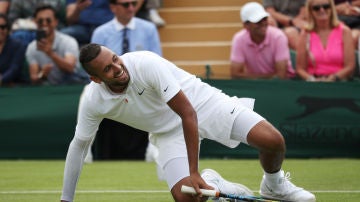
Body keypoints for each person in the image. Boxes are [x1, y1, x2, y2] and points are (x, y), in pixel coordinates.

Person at [60, 43, 316, 202]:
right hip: (167, 134)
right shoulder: (92, 100)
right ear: (95, 79)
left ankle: (274, 185)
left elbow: (188, 113)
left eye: (115, 58)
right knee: (185, 198)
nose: (117, 68)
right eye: (107, 69)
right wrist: (66, 200)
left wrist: (193, 172)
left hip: (203, 104)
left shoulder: (145, 63)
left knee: (273, 141)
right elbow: (79, 146)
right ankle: (215, 184)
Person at [87, 0, 162, 162]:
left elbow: (157, 63)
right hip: (112, 96)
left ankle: (151, 152)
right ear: (113, 7)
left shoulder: (149, 29)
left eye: (133, 3)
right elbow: (93, 68)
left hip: (142, 94)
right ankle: (90, 153)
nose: (131, 8)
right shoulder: (101, 32)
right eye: (125, 4)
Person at [26, 4, 89, 85]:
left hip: (74, 83)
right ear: (35, 22)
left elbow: (70, 68)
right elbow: (34, 78)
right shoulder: (32, 47)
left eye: (48, 20)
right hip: (51, 87)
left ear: (56, 22)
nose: (44, 23)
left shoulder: (68, 41)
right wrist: (41, 75)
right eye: (40, 21)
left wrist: (50, 53)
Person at [230, 2, 295, 80]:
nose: (263, 23)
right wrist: (264, 78)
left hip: (281, 86)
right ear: (246, 25)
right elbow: (235, 74)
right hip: (255, 86)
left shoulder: (278, 37)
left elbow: (281, 76)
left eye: (264, 19)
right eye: (257, 21)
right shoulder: (239, 39)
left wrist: (253, 77)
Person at [296, 0, 355, 82]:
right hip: (313, 82)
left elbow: (350, 66)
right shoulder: (305, 34)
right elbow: (300, 68)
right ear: (311, 11)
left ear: (332, 8)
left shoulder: (345, 32)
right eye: (316, 8)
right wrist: (312, 80)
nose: (322, 10)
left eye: (326, 6)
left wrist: (333, 78)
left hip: (339, 81)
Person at [0, 13, 26, 86]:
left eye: (3, 27)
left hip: (15, 86)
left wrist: (1, 80)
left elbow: (15, 69)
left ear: (8, 29)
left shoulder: (17, 46)